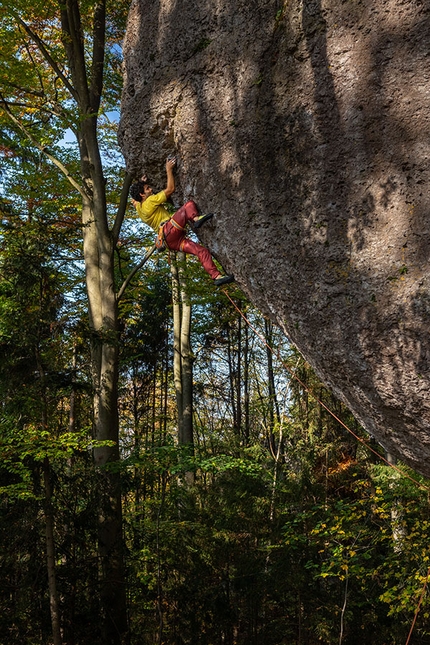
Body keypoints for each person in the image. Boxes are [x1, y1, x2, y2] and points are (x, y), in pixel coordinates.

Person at [129, 157, 234, 286]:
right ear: (142, 195)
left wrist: (140, 182)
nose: (151, 189)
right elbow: (170, 189)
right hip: (169, 230)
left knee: (201, 251)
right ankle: (196, 219)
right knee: (188, 205)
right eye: (147, 188)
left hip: (170, 242)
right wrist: (168, 169)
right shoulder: (149, 201)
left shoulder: (139, 208)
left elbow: (134, 201)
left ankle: (216, 276)